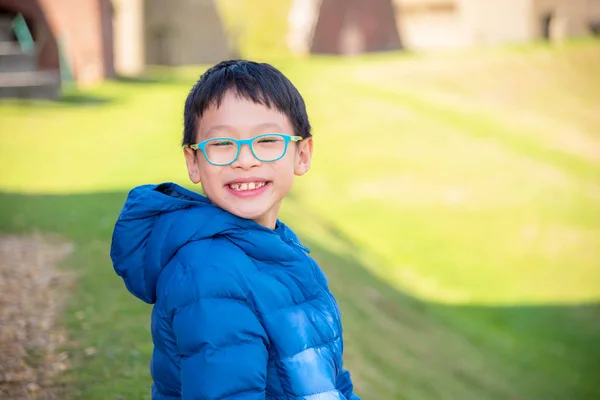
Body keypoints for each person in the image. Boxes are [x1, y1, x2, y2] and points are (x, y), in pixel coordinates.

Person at [110, 59, 360, 400]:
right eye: (223, 144)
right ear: (193, 162)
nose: (245, 159)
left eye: (268, 140)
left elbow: (330, 380)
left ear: (302, 154)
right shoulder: (209, 276)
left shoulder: (279, 249)